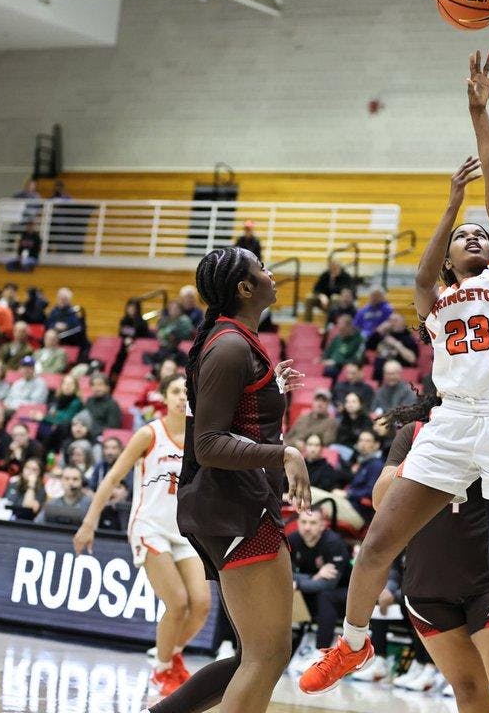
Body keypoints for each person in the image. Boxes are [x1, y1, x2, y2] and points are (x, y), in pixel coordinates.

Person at [300, 54, 489, 712]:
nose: (473, 237)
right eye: (463, 236)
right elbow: (418, 278)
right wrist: (449, 204)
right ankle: (352, 642)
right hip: (454, 422)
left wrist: (478, 114)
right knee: (378, 540)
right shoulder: (437, 302)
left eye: (478, 236)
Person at [152, 246, 310, 713]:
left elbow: (236, 416)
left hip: (237, 504)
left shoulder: (237, 341)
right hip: (234, 508)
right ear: (244, 288)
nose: (271, 273)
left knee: (256, 655)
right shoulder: (230, 345)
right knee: (267, 655)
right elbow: (210, 444)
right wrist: (286, 453)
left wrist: (268, 389)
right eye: (262, 268)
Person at [74, 373, 210, 695]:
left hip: (186, 530)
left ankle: (171, 654)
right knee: (177, 603)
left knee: (202, 604)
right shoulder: (149, 434)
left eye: (188, 392)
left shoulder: (201, 436)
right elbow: (111, 480)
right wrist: (89, 522)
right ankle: (161, 669)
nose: (182, 397)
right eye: (176, 391)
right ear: (163, 397)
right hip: (149, 526)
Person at [289, 507, 353, 652]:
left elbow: (329, 584)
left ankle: (321, 651)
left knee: (325, 596)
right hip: (310, 590)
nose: (307, 527)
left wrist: (298, 583)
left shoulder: (333, 543)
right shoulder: (293, 540)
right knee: (278, 590)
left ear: (323, 525)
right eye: (303, 522)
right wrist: (314, 577)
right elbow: (285, 575)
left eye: (312, 523)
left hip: (342, 592)